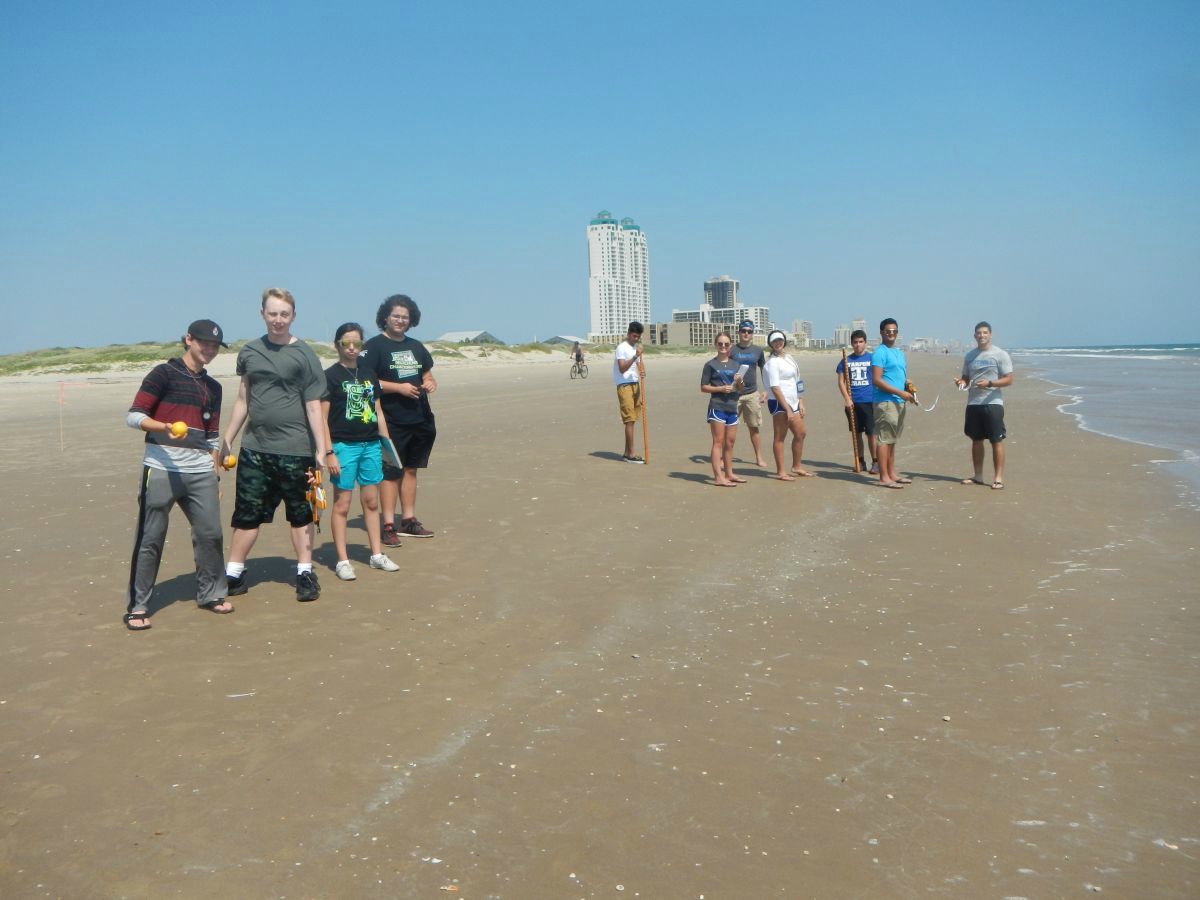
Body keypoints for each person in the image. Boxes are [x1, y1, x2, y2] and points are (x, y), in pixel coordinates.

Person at [123, 320, 233, 631]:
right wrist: (163, 427)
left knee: (211, 534)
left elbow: (211, 438)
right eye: (204, 343)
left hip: (200, 472)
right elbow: (133, 416)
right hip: (160, 468)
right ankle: (138, 605)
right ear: (188, 339)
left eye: (214, 346)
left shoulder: (214, 388)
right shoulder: (163, 374)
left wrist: (215, 476)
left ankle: (211, 593)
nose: (209, 350)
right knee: (150, 538)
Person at [223, 288, 328, 601]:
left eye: (284, 314)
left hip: (296, 450)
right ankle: (233, 573)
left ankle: (305, 572)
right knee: (247, 513)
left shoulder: (305, 354)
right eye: (273, 314)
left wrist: (321, 450)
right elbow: (244, 398)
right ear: (262, 314)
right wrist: (227, 438)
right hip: (255, 449)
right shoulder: (250, 352)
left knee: (301, 514)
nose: (278, 320)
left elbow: (313, 406)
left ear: (293, 316)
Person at [321, 323, 401, 580]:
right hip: (344, 446)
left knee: (371, 501)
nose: (352, 348)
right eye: (346, 343)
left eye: (357, 343)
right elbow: (322, 418)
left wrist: (386, 444)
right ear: (337, 345)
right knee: (342, 503)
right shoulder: (330, 376)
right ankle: (343, 560)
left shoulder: (368, 374)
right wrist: (329, 452)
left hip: (370, 445)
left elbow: (377, 411)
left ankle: (377, 554)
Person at [361, 294, 438, 543]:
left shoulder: (416, 346)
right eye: (396, 316)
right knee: (390, 472)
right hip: (389, 419)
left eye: (405, 317)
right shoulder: (373, 347)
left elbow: (427, 374)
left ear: (411, 320)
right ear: (385, 317)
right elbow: (365, 381)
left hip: (419, 417)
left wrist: (428, 382)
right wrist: (399, 388)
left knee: (411, 470)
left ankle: (408, 520)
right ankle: (388, 525)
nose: (400, 320)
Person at [954, 321, 1014, 489]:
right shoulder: (970, 356)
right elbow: (965, 378)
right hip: (973, 403)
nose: (982, 336)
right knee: (976, 440)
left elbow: (1009, 379)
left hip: (993, 403)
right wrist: (961, 383)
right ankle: (978, 476)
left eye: (985, 333)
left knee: (996, 440)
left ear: (991, 334)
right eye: (979, 333)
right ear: (974, 336)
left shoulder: (1000, 354)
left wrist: (989, 383)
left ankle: (998, 478)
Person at [870, 317, 917, 489]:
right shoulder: (879, 353)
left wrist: (908, 386)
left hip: (899, 401)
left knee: (892, 439)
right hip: (885, 401)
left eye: (894, 331)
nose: (891, 334)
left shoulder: (899, 353)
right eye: (888, 331)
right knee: (884, 439)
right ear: (882, 332)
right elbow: (876, 380)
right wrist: (900, 392)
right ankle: (883, 477)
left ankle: (891, 473)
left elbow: (899, 376)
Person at [763, 330, 814, 480]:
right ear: (770, 344)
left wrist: (801, 401)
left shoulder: (790, 358)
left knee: (800, 433)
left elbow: (798, 380)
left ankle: (796, 466)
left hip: (794, 401)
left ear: (784, 341)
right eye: (774, 341)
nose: (778, 343)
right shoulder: (772, 363)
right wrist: (787, 409)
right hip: (779, 403)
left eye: (780, 340)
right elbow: (775, 388)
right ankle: (780, 472)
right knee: (780, 437)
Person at [700, 332, 744, 486]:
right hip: (717, 407)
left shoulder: (735, 364)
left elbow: (741, 388)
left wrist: (739, 382)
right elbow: (703, 387)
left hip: (732, 406)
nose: (723, 347)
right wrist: (720, 389)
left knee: (730, 443)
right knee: (718, 442)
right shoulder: (710, 365)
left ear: (730, 345)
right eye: (720, 344)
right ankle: (718, 477)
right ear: (716, 345)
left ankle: (729, 473)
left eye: (726, 344)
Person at [835, 329, 878, 474]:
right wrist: (847, 398)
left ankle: (875, 462)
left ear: (865, 343)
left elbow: (881, 378)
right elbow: (841, 382)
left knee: (871, 433)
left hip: (870, 401)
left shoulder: (873, 359)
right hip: (853, 403)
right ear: (852, 344)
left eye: (861, 342)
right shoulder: (845, 361)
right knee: (857, 433)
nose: (858, 345)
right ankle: (861, 461)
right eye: (855, 342)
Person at [730, 319, 768, 467]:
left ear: (752, 334)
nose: (746, 333)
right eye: (743, 331)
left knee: (754, 427)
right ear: (739, 332)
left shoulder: (758, 351)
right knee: (730, 427)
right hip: (734, 395)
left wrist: (766, 391)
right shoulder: (731, 349)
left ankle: (759, 457)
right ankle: (727, 457)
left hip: (752, 394)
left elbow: (765, 372)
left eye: (749, 331)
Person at [612, 321, 645, 463]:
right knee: (629, 420)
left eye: (638, 337)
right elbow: (622, 368)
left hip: (635, 384)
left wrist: (642, 371)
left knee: (633, 419)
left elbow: (639, 367)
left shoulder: (634, 348)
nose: (635, 339)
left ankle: (626, 452)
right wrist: (634, 357)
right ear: (629, 333)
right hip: (624, 385)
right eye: (634, 336)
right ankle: (631, 454)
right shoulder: (622, 348)